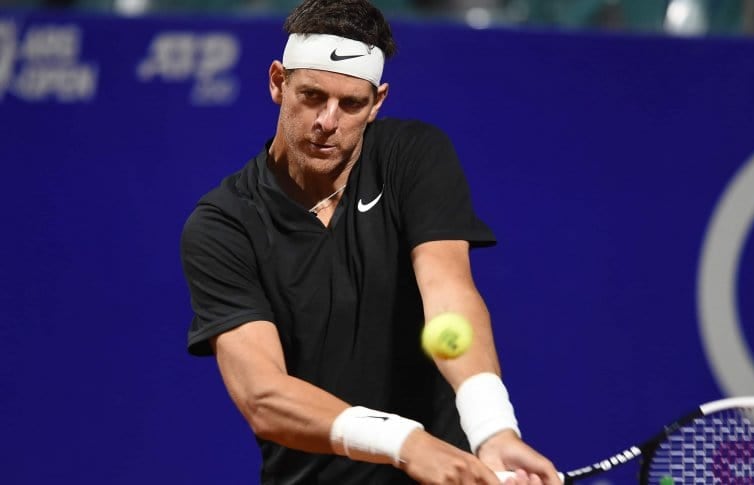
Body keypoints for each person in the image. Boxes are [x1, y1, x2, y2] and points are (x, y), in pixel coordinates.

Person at [180, 0, 560, 483]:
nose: (327, 121)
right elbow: (263, 396)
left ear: (377, 103)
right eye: (312, 96)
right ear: (278, 82)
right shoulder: (223, 225)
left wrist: (494, 429)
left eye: (351, 104)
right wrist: (404, 442)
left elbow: (449, 294)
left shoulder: (412, 158)